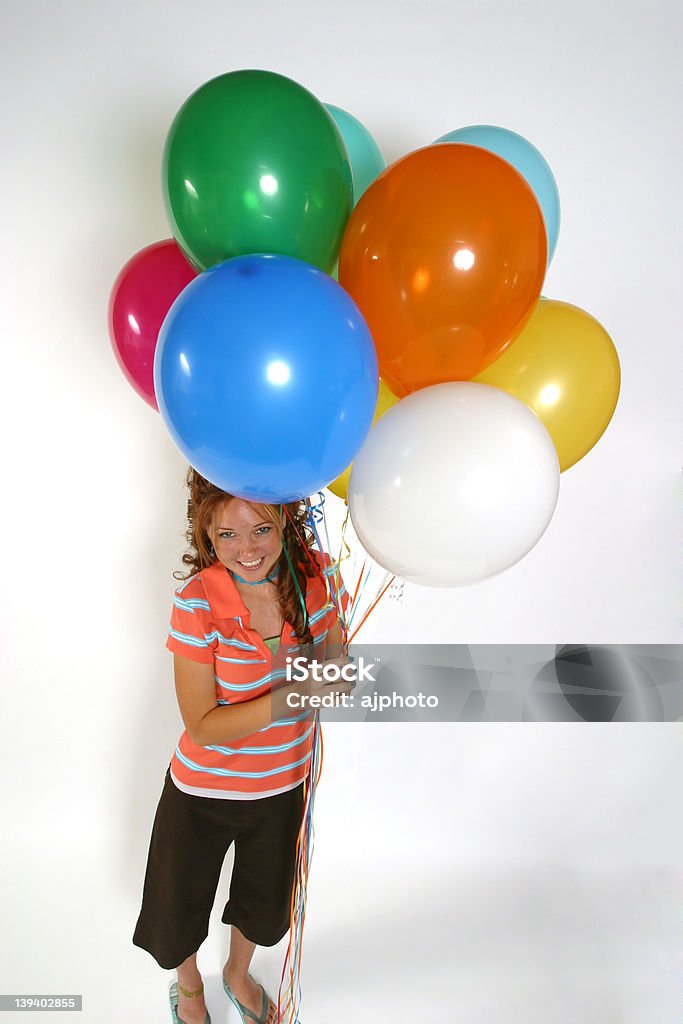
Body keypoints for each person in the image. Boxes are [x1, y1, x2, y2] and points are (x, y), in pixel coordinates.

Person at [133, 468, 352, 1024]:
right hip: (203, 789)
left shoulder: (317, 578)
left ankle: (236, 974)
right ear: (206, 535)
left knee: (262, 903)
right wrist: (294, 694)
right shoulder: (197, 602)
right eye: (226, 535)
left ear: (284, 523)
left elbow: (338, 667)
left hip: (282, 783)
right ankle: (188, 989)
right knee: (177, 905)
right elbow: (203, 725)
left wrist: (337, 674)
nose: (246, 549)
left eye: (259, 529)